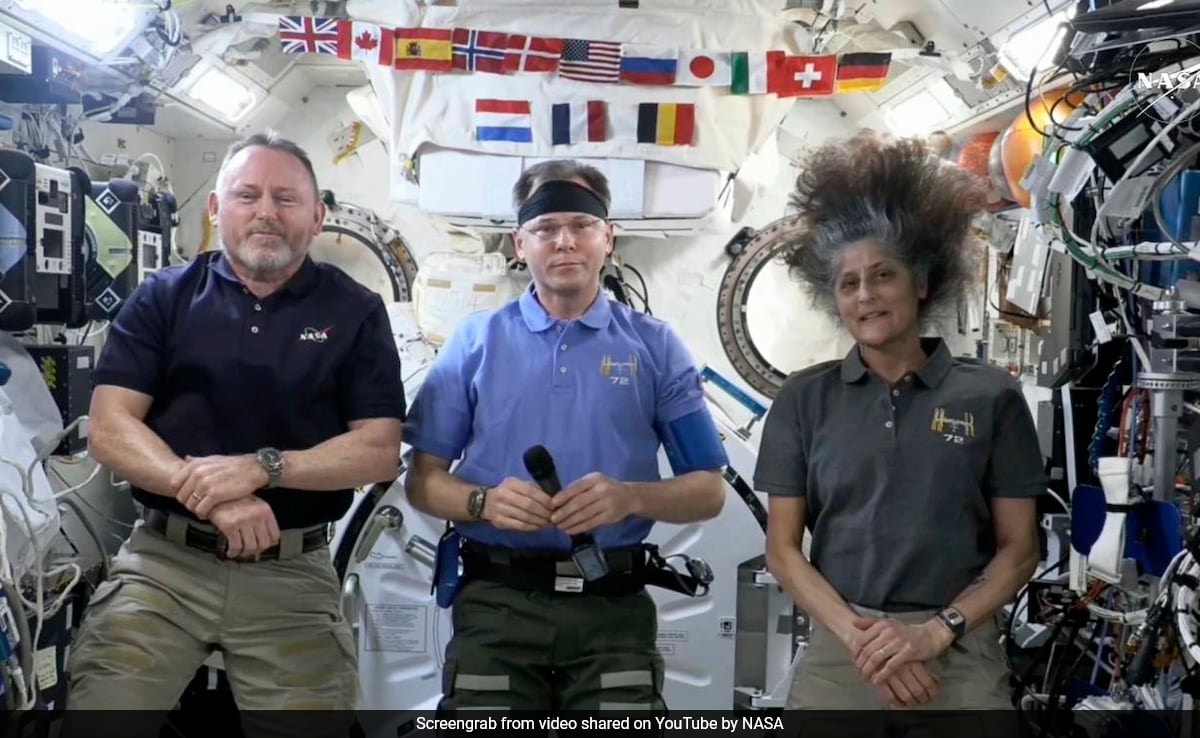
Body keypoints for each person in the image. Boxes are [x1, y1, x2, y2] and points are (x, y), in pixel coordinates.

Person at [63, 132, 406, 735]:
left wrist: (262, 468)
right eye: (247, 196)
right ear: (216, 209)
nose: (266, 212)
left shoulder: (355, 311)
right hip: (164, 566)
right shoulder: (163, 298)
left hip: (291, 575)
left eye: (286, 198)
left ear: (318, 216)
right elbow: (110, 428)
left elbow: (378, 450)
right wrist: (211, 495)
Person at [403, 160, 728, 711]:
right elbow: (422, 480)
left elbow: (709, 490)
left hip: (612, 612)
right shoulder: (475, 342)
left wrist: (630, 497)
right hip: (498, 608)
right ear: (519, 243)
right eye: (546, 228)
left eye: (581, 225)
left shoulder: (655, 346)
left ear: (608, 237)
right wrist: (483, 502)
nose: (565, 242)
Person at [755, 134, 1044, 715]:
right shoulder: (804, 399)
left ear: (923, 283)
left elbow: (1020, 550)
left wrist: (934, 633)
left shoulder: (991, 396)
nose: (866, 295)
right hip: (845, 647)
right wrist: (861, 639)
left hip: (958, 646)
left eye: (883, 275)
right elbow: (783, 550)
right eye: (848, 283)